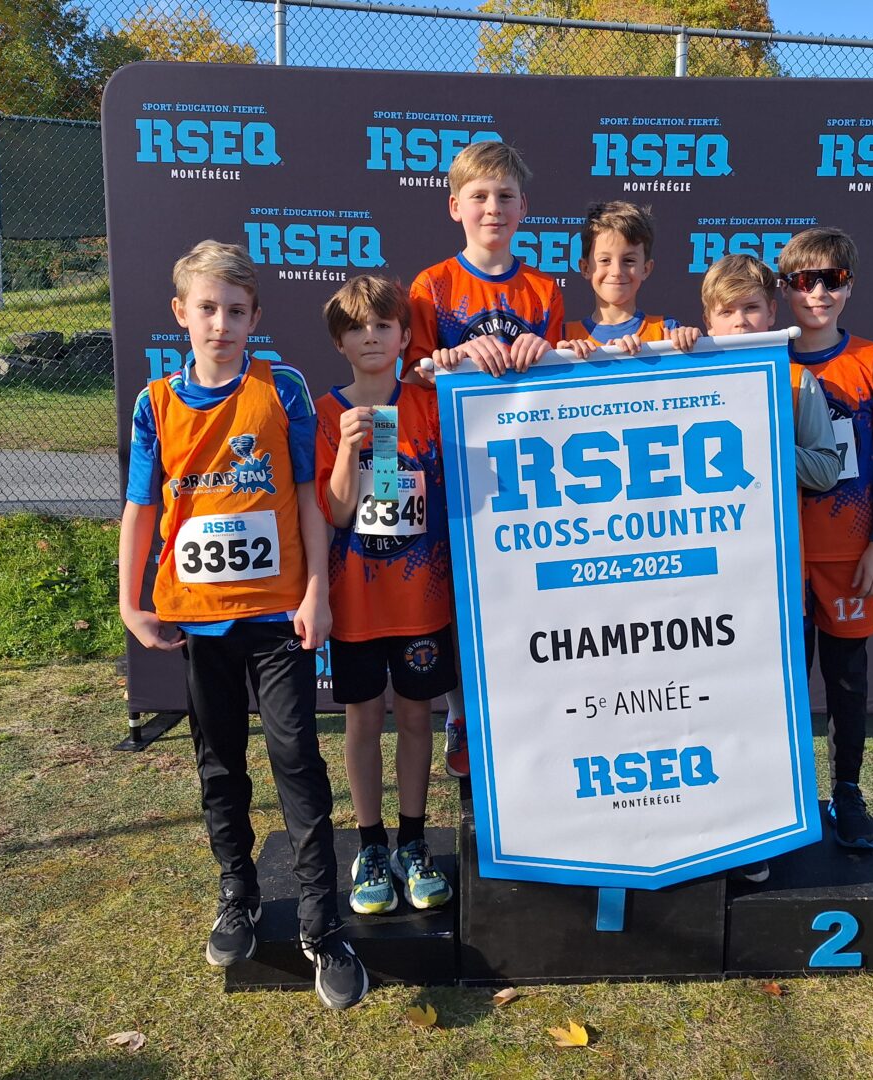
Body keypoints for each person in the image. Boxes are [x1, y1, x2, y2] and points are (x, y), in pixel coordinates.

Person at [117, 239, 367, 1010]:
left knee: (297, 761)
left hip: (276, 621)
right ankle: (240, 893)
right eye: (206, 309)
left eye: (234, 311)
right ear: (180, 315)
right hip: (203, 627)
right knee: (220, 765)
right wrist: (130, 601)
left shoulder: (281, 390)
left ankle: (323, 931)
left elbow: (308, 503)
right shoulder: (155, 403)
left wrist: (317, 591)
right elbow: (142, 508)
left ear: (255, 316)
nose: (219, 324)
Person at [404, 139, 566, 777]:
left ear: (524, 206)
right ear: (454, 207)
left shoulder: (542, 289)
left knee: (516, 594)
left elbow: (560, 385)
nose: (492, 208)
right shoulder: (433, 285)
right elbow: (413, 374)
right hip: (450, 465)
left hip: (522, 470)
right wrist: (450, 361)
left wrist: (536, 352)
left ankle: (518, 711)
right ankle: (460, 716)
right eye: (479, 197)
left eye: (504, 196)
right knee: (454, 597)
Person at [315, 275, 457, 916]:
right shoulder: (325, 412)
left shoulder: (427, 403)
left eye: (382, 326)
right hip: (356, 608)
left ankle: (412, 839)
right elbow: (339, 512)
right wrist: (347, 452)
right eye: (356, 328)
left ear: (404, 335)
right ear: (339, 341)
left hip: (422, 603)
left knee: (417, 718)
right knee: (363, 720)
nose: (370, 337)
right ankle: (370, 845)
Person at [777, 227, 873, 850]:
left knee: (846, 681)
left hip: (846, 554)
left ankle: (848, 795)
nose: (817, 293)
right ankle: (779, 800)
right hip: (776, 555)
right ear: (785, 288)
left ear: (849, 284)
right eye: (803, 281)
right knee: (779, 683)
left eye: (830, 279)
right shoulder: (756, 359)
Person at [702, 252, 842, 882]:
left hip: (766, 572)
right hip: (697, 572)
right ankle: (701, 823)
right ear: (709, 317)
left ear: (770, 312)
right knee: (702, 701)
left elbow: (827, 468)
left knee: (760, 702)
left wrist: (765, 443)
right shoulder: (682, 371)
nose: (740, 320)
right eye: (727, 311)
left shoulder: (797, 384)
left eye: (751, 307)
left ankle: (754, 835)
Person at [560, 200, 700, 356]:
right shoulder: (565, 337)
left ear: (646, 269)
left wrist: (692, 343)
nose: (617, 271)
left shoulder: (666, 331)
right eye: (605, 260)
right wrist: (563, 358)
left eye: (629, 261)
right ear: (585, 268)